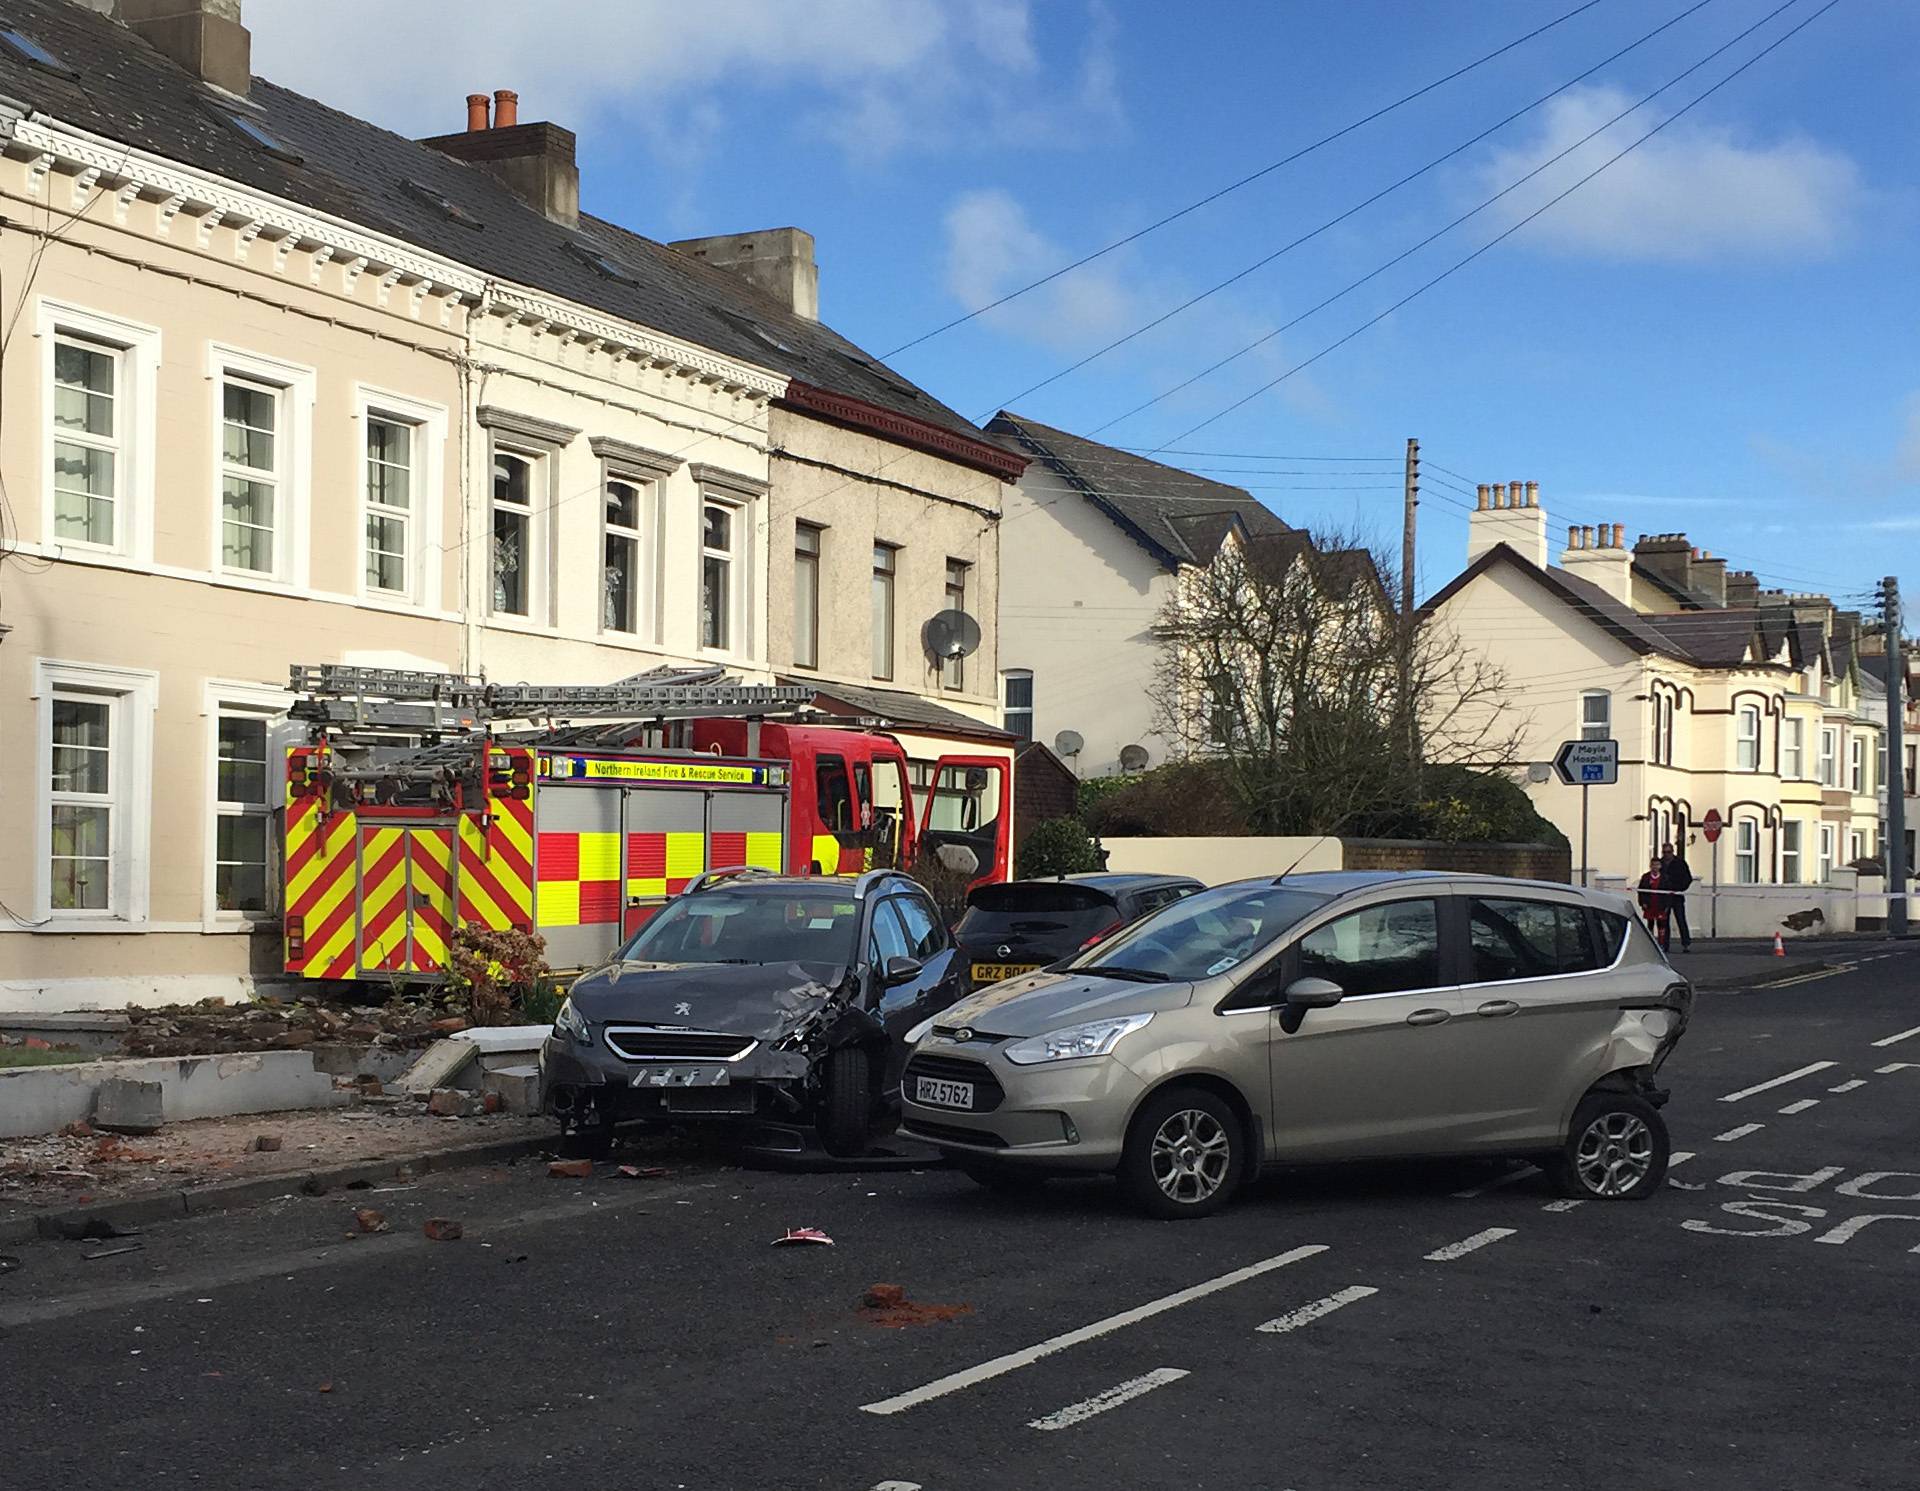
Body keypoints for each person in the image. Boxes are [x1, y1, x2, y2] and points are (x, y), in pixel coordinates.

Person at [1660, 842, 1694, 950]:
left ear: (1672, 852)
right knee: (1664, 921)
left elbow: (1688, 878)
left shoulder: (1680, 863)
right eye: (1664, 852)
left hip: (1677, 895)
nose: (1666, 855)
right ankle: (1665, 945)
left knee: (1680, 919)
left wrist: (1680, 888)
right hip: (1665, 896)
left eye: (1668, 852)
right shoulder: (1660, 864)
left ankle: (1686, 943)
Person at [1636, 856, 1670, 951]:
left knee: (1661, 924)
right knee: (1650, 923)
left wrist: (1667, 905)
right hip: (1650, 904)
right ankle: (1651, 943)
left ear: (1660, 866)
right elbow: (1641, 891)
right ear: (1650, 866)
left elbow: (1668, 893)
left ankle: (1661, 944)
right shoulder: (1646, 877)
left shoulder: (1665, 878)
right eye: (1653, 865)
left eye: (1657, 865)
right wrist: (1643, 902)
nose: (1655, 867)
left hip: (1660, 905)